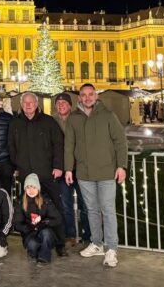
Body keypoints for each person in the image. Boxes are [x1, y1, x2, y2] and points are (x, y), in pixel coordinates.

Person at [65, 83, 128, 268]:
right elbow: (69, 145)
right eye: (84, 95)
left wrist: (121, 166)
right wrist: (68, 169)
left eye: (90, 94)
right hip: (84, 173)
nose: (87, 98)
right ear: (79, 98)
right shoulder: (73, 118)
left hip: (107, 171)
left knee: (108, 210)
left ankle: (112, 248)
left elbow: (120, 141)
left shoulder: (108, 115)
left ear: (96, 96)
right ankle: (97, 243)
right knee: (91, 209)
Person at [8, 91, 66, 257]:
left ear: (36, 104)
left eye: (31, 102)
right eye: (25, 103)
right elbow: (11, 146)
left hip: (47, 173)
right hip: (26, 175)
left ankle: (60, 244)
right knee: (27, 209)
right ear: (21, 105)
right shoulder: (15, 123)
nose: (28, 105)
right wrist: (15, 165)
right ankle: (31, 242)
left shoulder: (48, 121)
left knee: (56, 207)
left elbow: (58, 144)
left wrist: (58, 166)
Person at [51, 92, 90, 247]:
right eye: (58, 103)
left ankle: (88, 236)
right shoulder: (52, 121)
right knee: (65, 204)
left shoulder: (78, 118)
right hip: (62, 169)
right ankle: (70, 235)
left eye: (64, 103)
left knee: (85, 203)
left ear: (70, 105)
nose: (61, 105)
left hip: (79, 168)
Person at [13, 174, 66, 266]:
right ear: (25, 189)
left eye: (34, 187)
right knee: (32, 246)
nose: (31, 190)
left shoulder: (46, 200)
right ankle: (35, 250)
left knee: (46, 233)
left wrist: (44, 223)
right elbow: (16, 223)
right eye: (28, 187)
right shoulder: (20, 201)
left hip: (45, 231)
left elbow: (57, 218)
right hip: (30, 234)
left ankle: (44, 258)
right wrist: (27, 227)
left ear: (38, 188)